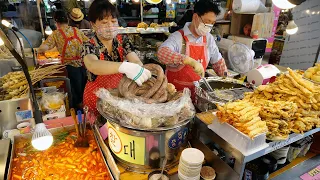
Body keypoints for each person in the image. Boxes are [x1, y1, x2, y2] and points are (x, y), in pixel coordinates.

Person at [82, 0, 151, 113]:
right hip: (95, 97)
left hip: (118, 96)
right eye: (104, 22)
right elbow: (93, 65)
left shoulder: (122, 41)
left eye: (113, 21)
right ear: (93, 24)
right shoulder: (89, 44)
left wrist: (137, 68)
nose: (110, 26)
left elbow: (136, 61)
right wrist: (124, 67)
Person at [157, 0, 227, 99]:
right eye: (207, 22)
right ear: (195, 17)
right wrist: (188, 60)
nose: (209, 27)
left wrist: (226, 80)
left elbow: (218, 62)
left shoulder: (208, 38)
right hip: (175, 96)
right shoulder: (178, 37)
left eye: (212, 23)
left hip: (197, 96)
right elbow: (161, 53)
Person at [38, 10, 89, 110]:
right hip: (83, 66)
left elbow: (43, 48)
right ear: (68, 21)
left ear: (56, 22)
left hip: (70, 68)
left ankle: (78, 114)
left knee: (75, 94)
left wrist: (42, 49)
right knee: (83, 91)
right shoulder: (76, 30)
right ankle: (86, 111)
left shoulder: (56, 34)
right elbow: (87, 42)